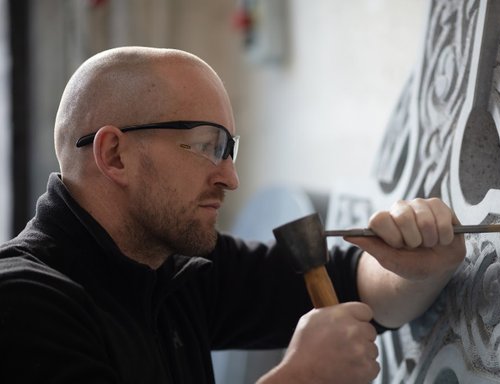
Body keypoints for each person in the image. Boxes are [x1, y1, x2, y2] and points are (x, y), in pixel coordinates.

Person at [0, 46, 466, 384]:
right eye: (207, 146)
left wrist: (419, 267)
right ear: (115, 154)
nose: (230, 177)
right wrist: (299, 379)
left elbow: (356, 286)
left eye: (229, 150)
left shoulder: (171, 265)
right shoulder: (23, 302)